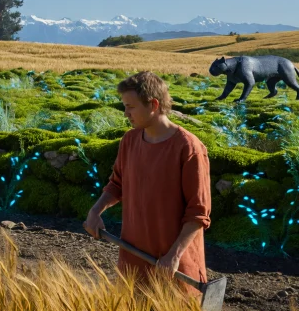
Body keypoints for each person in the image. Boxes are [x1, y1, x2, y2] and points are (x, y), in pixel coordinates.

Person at [84, 71, 211, 297]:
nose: (126, 114)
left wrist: (174, 255)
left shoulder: (189, 149)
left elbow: (198, 214)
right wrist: (96, 210)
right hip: (133, 262)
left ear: (153, 104)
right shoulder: (130, 141)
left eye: (130, 107)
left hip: (174, 268)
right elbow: (117, 185)